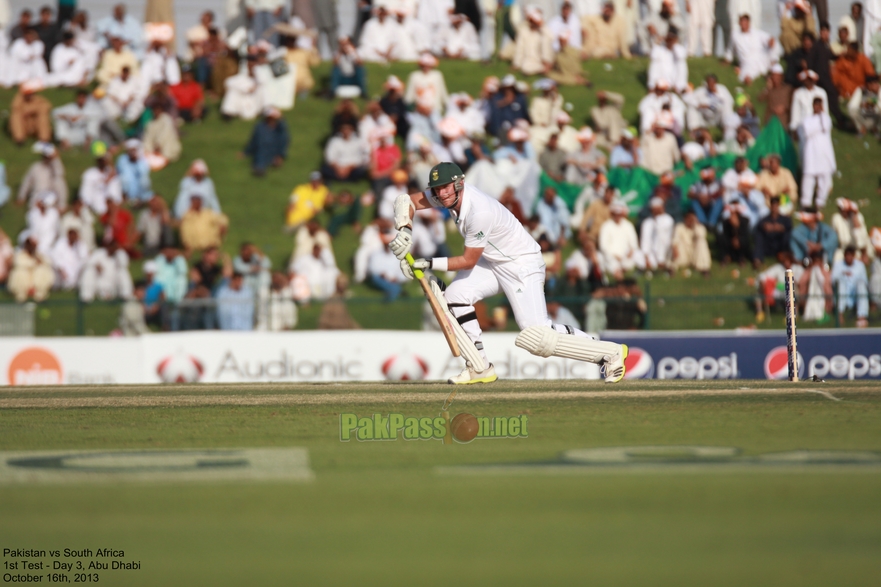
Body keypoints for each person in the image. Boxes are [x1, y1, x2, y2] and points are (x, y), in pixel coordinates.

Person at [389, 162, 629, 384]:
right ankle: (479, 366)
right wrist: (405, 231)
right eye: (437, 189)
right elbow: (406, 201)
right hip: (493, 261)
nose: (441, 194)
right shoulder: (446, 197)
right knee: (455, 296)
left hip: (521, 264)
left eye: (446, 188)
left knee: (536, 334)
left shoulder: (478, 211)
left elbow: (468, 260)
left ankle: (610, 353)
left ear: (459, 183)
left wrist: (428, 263)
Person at [799, 97, 836, 209]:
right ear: (813, 106)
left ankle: (820, 201)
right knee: (808, 177)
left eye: (820, 105)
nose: (818, 107)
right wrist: (817, 125)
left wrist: (820, 120)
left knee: (824, 177)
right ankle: (806, 202)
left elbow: (825, 127)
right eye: (816, 105)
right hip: (811, 152)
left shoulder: (826, 118)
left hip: (824, 152)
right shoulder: (807, 120)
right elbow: (807, 131)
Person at [242, 107, 290, 176]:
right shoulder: (260, 127)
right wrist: (246, 152)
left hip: (274, 150)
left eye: (273, 118)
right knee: (261, 152)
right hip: (261, 150)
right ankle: (259, 169)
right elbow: (254, 141)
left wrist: (280, 155)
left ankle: (269, 164)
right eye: (269, 118)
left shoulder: (280, 129)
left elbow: (284, 142)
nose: (271, 120)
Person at [730, 13, 776, 84]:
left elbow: (769, 38)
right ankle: (750, 79)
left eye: (745, 22)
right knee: (747, 74)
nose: (743, 24)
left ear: (749, 23)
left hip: (761, 58)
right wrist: (728, 59)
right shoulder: (735, 35)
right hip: (747, 62)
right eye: (742, 21)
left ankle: (773, 67)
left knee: (775, 45)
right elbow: (730, 49)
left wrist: (770, 41)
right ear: (739, 23)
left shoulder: (756, 32)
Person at [17, 142, 67, 207]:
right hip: (37, 194)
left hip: (51, 195)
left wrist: (55, 159)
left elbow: (60, 174)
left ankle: (62, 206)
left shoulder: (55, 167)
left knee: (59, 181)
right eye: (45, 155)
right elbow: (26, 182)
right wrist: (21, 197)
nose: (47, 157)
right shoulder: (35, 167)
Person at [8, 233, 55, 302]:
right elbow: (19, 263)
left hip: (35, 282)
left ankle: (38, 292)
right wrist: (34, 263)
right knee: (20, 271)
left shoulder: (39, 255)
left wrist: (40, 261)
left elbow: (48, 262)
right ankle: (21, 294)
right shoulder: (20, 254)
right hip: (24, 281)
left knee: (42, 270)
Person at [832, 246, 870, 327]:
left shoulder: (860, 265)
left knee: (861, 285)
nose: (849, 257)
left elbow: (865, 281)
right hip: (843, 292)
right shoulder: (838, 265)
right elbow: (833, 280)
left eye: (851, 255)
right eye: (847, 255)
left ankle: (861, 316)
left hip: (855, 293)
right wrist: (843, 274)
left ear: (853, 256)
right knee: (840, 284)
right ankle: (840, 314)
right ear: (844, 256)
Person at [10, 80, 52, 145]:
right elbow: (15, 108)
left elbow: (47, 106)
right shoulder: (19, 100)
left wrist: (32, 110)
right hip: (24, 126)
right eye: (27, 93)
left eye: (30, 93)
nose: (29, 95)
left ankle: (44, 139)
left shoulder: (38, 99)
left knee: (43, 116)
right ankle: (19, 139)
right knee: (16, 116)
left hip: (35, 126)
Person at [640, 197, 674, 272]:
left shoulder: (668, 219)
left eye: (657, 208)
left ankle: (661, 261)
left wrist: (657, 217)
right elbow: (645, 240)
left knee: (660, 235)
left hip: (666, 250)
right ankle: (656, 263)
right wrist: (646, 257)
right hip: (651, 252)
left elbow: (660, 231)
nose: (654, 211)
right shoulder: (647, 222)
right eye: (653, 209)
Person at [754, 196, 793, 263]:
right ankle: (757, 259)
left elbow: (790, 228)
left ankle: (785, 256)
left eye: (776, 206)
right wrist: (765, 227)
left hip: (780, 244)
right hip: (768, 244)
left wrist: (781, 228)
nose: (774, 208)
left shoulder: (785, 219)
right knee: (759, 234)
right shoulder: (765, 219)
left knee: (787, 234)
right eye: (773, 206)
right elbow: (758, 227)